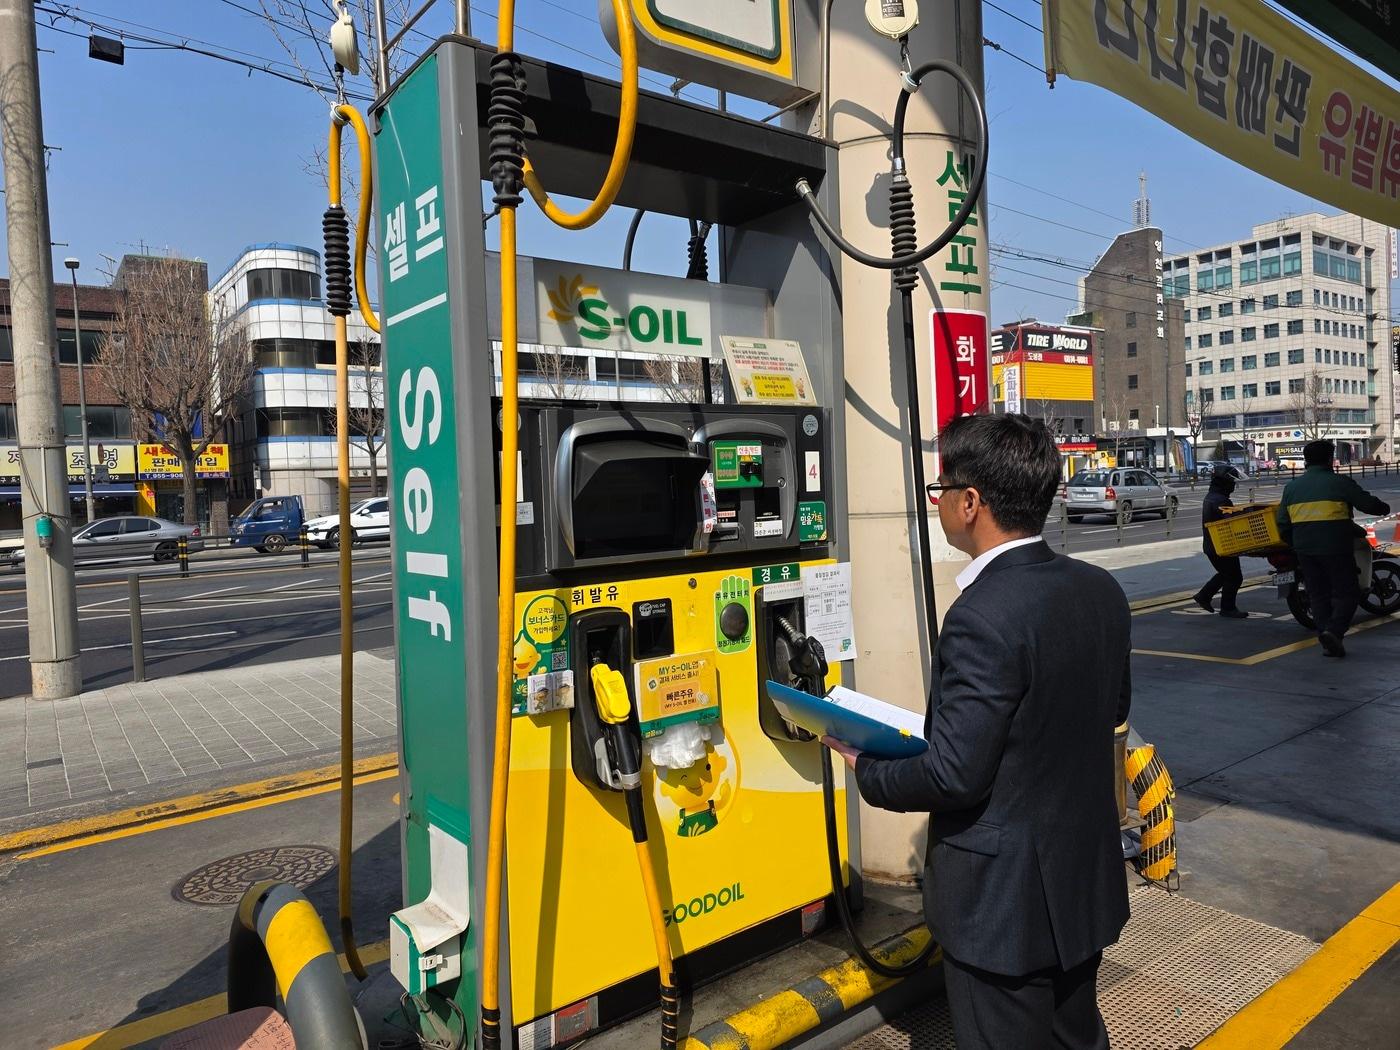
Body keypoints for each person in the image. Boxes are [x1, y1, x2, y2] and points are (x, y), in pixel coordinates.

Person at [828, 413, 1130, 1050]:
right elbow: (1105, 713)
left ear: (971, 502)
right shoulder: (1100, 591)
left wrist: (869, 768)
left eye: (940, 488)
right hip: (1080, 883)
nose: (935, 502)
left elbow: (953, 775)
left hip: (1003, 908)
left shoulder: (981, 616)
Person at [1277, 439, 1391, 658]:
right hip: (1336, 547)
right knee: (1348, 592)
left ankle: (1327, 639)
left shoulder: (1291, 488)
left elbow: (1282, 522)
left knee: (1318, 595)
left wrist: (1296, 543)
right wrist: (1382, 508)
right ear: (1330, 459)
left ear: (1306, 460)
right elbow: (1368, 505)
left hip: (1305, 551)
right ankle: (1334, 631)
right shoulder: (1339, 482)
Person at [1194, 463, 1248, 618]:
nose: (1233, 486)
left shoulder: (1212, 497)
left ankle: (1204, 596)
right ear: (1225, 483)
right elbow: (1230, 521)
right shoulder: (1221, 501)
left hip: (1212, 545)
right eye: (1232, 483)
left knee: (1225, 573)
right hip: (1222, 545)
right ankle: (1227, 608)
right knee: (1235, 577)